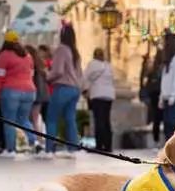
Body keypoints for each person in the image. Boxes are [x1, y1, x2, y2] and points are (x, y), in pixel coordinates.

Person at [0, 30, 38, 158]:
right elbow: (32, 75)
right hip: (30, 91)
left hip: (11, 92)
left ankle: (10, 150)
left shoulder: (4, 55)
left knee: (9, 121)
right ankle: (35, 142)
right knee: (23, 119)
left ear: (5, 42)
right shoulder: (28, 56)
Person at [45, 23, 83, 158]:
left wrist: (47, 76)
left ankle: (49, 150)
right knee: (70, 119)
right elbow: (79, 73)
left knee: (51, 119)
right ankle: (72, 149)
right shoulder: (75, 52)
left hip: (63, 87)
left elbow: (58, 71)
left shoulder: (61, 49)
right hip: (75, 88)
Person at [84, 48, 115, 152]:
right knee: (106, 121)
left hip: (97, 95)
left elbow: (85, 78)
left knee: (99, 121)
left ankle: (99, 145)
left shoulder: (92, 64)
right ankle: (108, 145)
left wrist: (85, 91)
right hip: (109, 95)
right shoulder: (108, 65)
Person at [26, 45, 49, 146]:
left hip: (35, 94)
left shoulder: (32, 65)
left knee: (33, 119)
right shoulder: (40, 65)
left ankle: (37, 141)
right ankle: (38, 140)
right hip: (42, 94)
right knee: (34, 119)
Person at [142, 51, 164, 145]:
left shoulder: (152, 70)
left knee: (156, 118)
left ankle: (156, 140)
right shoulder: (164, 68)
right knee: (163, 117)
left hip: (154, 95)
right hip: (162, 94)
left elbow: (146, 84)